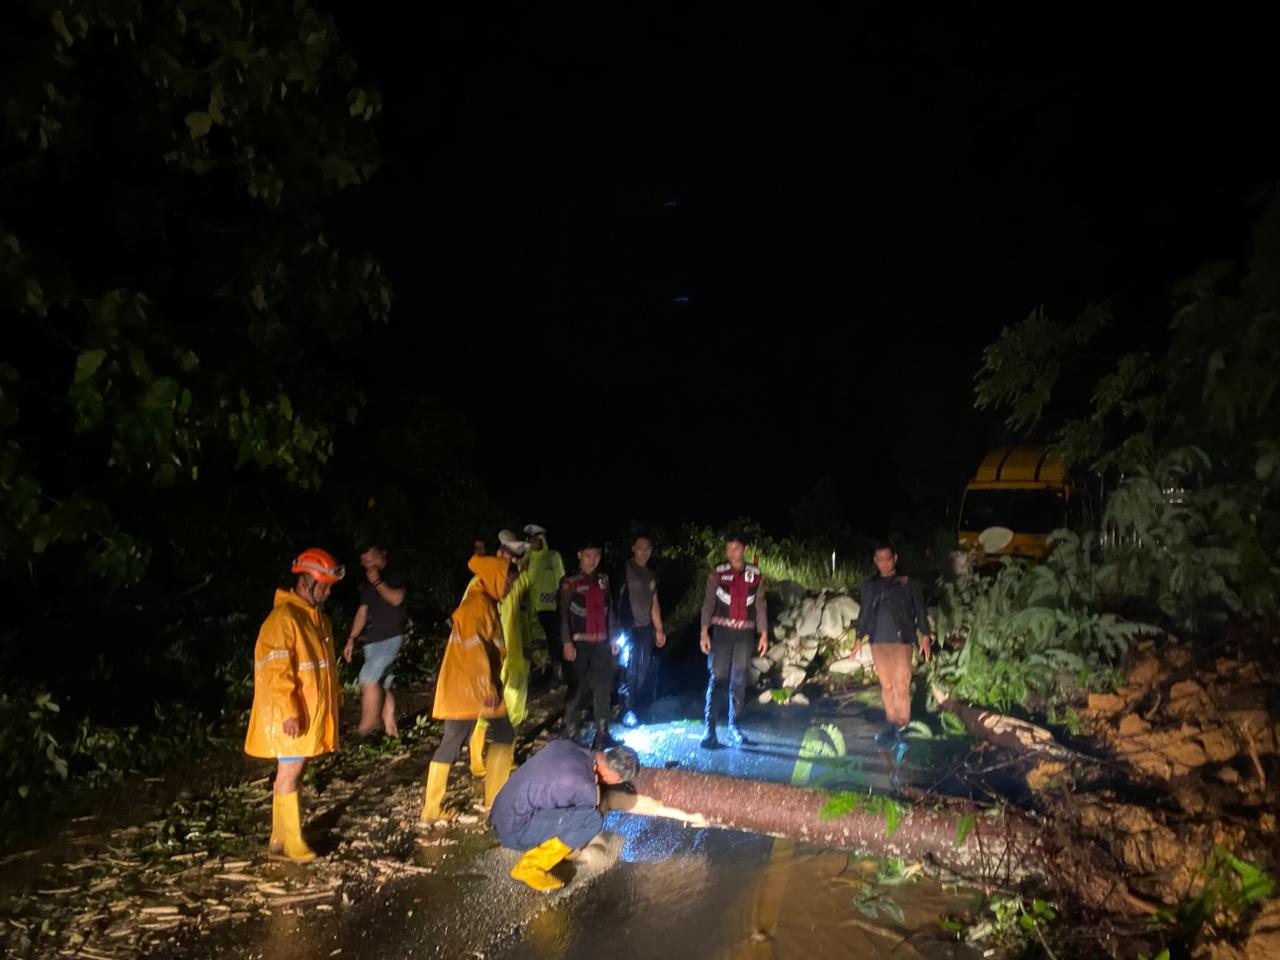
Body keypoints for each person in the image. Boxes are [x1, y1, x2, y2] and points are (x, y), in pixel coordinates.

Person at [244, 548, 345, 862]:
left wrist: (336, 695)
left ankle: (279, 837)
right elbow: (276, 672)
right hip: (290, 715)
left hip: (306, 712)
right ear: (306, 582)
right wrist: (289, 710)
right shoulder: (284, 619)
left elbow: (324, 667)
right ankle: (293, 842)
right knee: (290, 772)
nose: (328, 592)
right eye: (324, 586)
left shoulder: (316, 620)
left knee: (292, 772)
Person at [421, 552, 518, 821]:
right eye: (508, 583)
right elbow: (475, 653)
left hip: (470, 686)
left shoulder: (483, 603)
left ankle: (434, 808)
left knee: (460, 742)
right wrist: (486, 688)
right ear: (496, 579)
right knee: (494, 736)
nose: (510, 588)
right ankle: (493, 799)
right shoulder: (477, 606)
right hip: (472, 688)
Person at [490, 740, 640, 891]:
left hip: (498, 812)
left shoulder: (565, 745)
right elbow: (577, 820)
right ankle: (530, 866)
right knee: (592, 819)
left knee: (567, 811)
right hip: (513, 831)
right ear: (615, 778)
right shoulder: (586, 788)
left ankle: (550, 848)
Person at [852, 542, 933, 745]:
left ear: (895, 558)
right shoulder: (870, 586)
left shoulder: (907, 583)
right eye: (880, 560)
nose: (884, 564)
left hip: (902, 642)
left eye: (888, 559)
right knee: (886, 687)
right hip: (877, 643)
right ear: (875, 561)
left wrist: (925, 636)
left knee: (901, 686)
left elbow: (920, 610)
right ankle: (892, 726)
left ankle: (903, 728)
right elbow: (864, 613)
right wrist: (858, 639)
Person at [469, 531, 534, 777]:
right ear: (499, 554)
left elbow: (527, 616)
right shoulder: (480, 582)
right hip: (491, 656)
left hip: (517, 656)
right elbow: (470, 621)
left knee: (515, 708)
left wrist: (532, 646)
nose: (513, 560)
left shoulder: (521, 581)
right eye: (509, 555)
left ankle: (506, 757)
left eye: (518, 556)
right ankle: (477, 759)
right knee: (487, 706)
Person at [699, 530, 768, 749]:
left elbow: (760, 605)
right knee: (718, 678)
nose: (732, 552)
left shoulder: (756, 575)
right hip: (721, 634)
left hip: (745, 634)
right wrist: (704, 631)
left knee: (739, 680)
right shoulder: (717, 573)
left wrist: (763, 632)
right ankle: (709, 730)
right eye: (729, 548)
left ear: (744, 549)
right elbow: (708, 603)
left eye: (736, 548)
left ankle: (734, 725)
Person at [559, 539, 621, 749]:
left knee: (603, 688)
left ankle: (602, 734)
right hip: (579, 644)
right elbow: (563, 614)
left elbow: (610, 611)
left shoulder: (604, 580)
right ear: (579, 556)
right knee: (578, 687)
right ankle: (569, 731)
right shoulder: (570, 582)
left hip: (602, 644)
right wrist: (567, 642)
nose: (592, 560)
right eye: (588, 556)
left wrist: (614, 638)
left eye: (596, 556)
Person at [342, 545, 407, 738]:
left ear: (381, 553)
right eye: (363, 558)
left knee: (369, 678)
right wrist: (351, 638)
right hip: (372, 641)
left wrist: (377, 581)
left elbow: (396, 599)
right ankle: (391, 730)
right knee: (381, 684)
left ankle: (367, 730)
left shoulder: (393, 574)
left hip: (391, 637)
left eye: (369, 554)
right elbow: (362, 611)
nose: (365, 559)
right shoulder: (366, 584)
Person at [614, 534, 667, 726]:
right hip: (628, 629)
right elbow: (615, 599)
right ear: (633, 549)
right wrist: (615, 629)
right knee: (627, 670)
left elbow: (654, 603)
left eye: (647, 548)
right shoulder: (625, 570)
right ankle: (624, 710)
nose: (644, 551)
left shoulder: (650, 575)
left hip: (645, 630)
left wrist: (659, 629)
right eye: (640, 547)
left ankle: (632, 707)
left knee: (641, 671)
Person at [524, 524, 567, 678]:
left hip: (551, 608)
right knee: (534, 641)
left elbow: (562, 579)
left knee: (554, 640)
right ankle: (540, 671)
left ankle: (558, 672)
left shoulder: (553, 556)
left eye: (535, 539)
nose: (532, 542)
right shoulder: (527, 559)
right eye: (530, 539)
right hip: (531, 609)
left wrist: (562, 600)